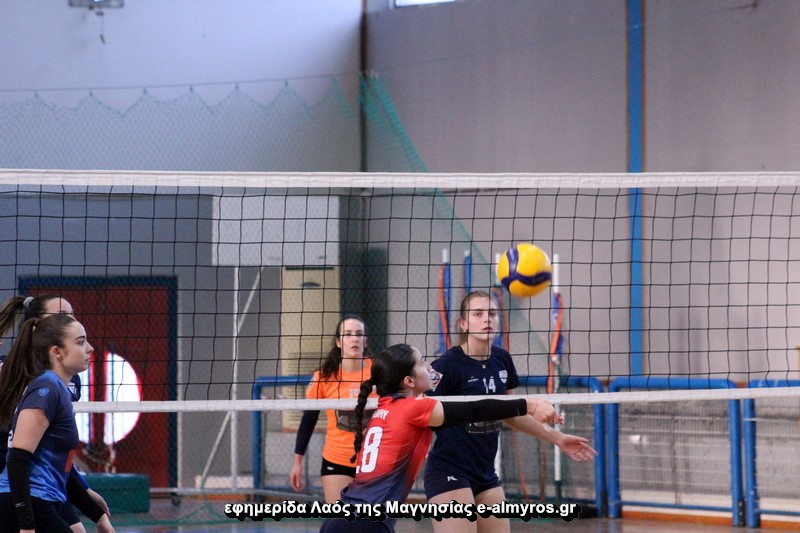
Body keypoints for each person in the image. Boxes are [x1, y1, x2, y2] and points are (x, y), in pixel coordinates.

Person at [319, 343, 562, 533]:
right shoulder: (412, 409)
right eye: (421, 363)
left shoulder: (384, 408)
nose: (429, 367)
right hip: (365, 524)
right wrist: (529, 404)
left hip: (346, 518)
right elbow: (475, 410)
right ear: (408, 381)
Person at [424, 290, 597, 533]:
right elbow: (422, 412)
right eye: (478, 314)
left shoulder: (502, 359)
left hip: (485, 474)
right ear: (463, 324)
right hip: (448, 471)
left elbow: (512, 414)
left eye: (492, 314)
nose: (487, 319)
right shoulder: (446, 365)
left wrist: (557, 438)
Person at [0, 294, 110, 533]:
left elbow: (57, 454)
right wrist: (26, 525)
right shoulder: (40, 386)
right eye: (61, 315)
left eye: (71, 314)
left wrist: (92, 504)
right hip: (20, 492)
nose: (70, 319)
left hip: (42, 490)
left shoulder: (62, 385)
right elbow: (18, 458)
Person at [290, 315, 374, 502]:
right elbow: (308, 420)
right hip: (337, 459)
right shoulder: (324, 377)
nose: (354, 339)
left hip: (374, 460)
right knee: (339, 517)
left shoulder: (380, 372)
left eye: (359, 334)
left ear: (365, 341)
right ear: (338, 342)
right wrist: (297, 462)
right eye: (348, 334)